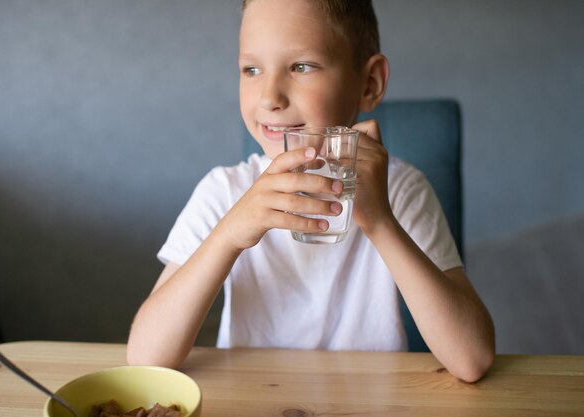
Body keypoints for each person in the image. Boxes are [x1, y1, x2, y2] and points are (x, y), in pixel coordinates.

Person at [127, 0, 495, 382]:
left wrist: (381, 222)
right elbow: (146, 359)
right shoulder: (223, 191)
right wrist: (228, 236)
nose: (270, 97)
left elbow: (472, 360)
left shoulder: (402, 190)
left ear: (369, 83)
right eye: (252, 69)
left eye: (301, 66)